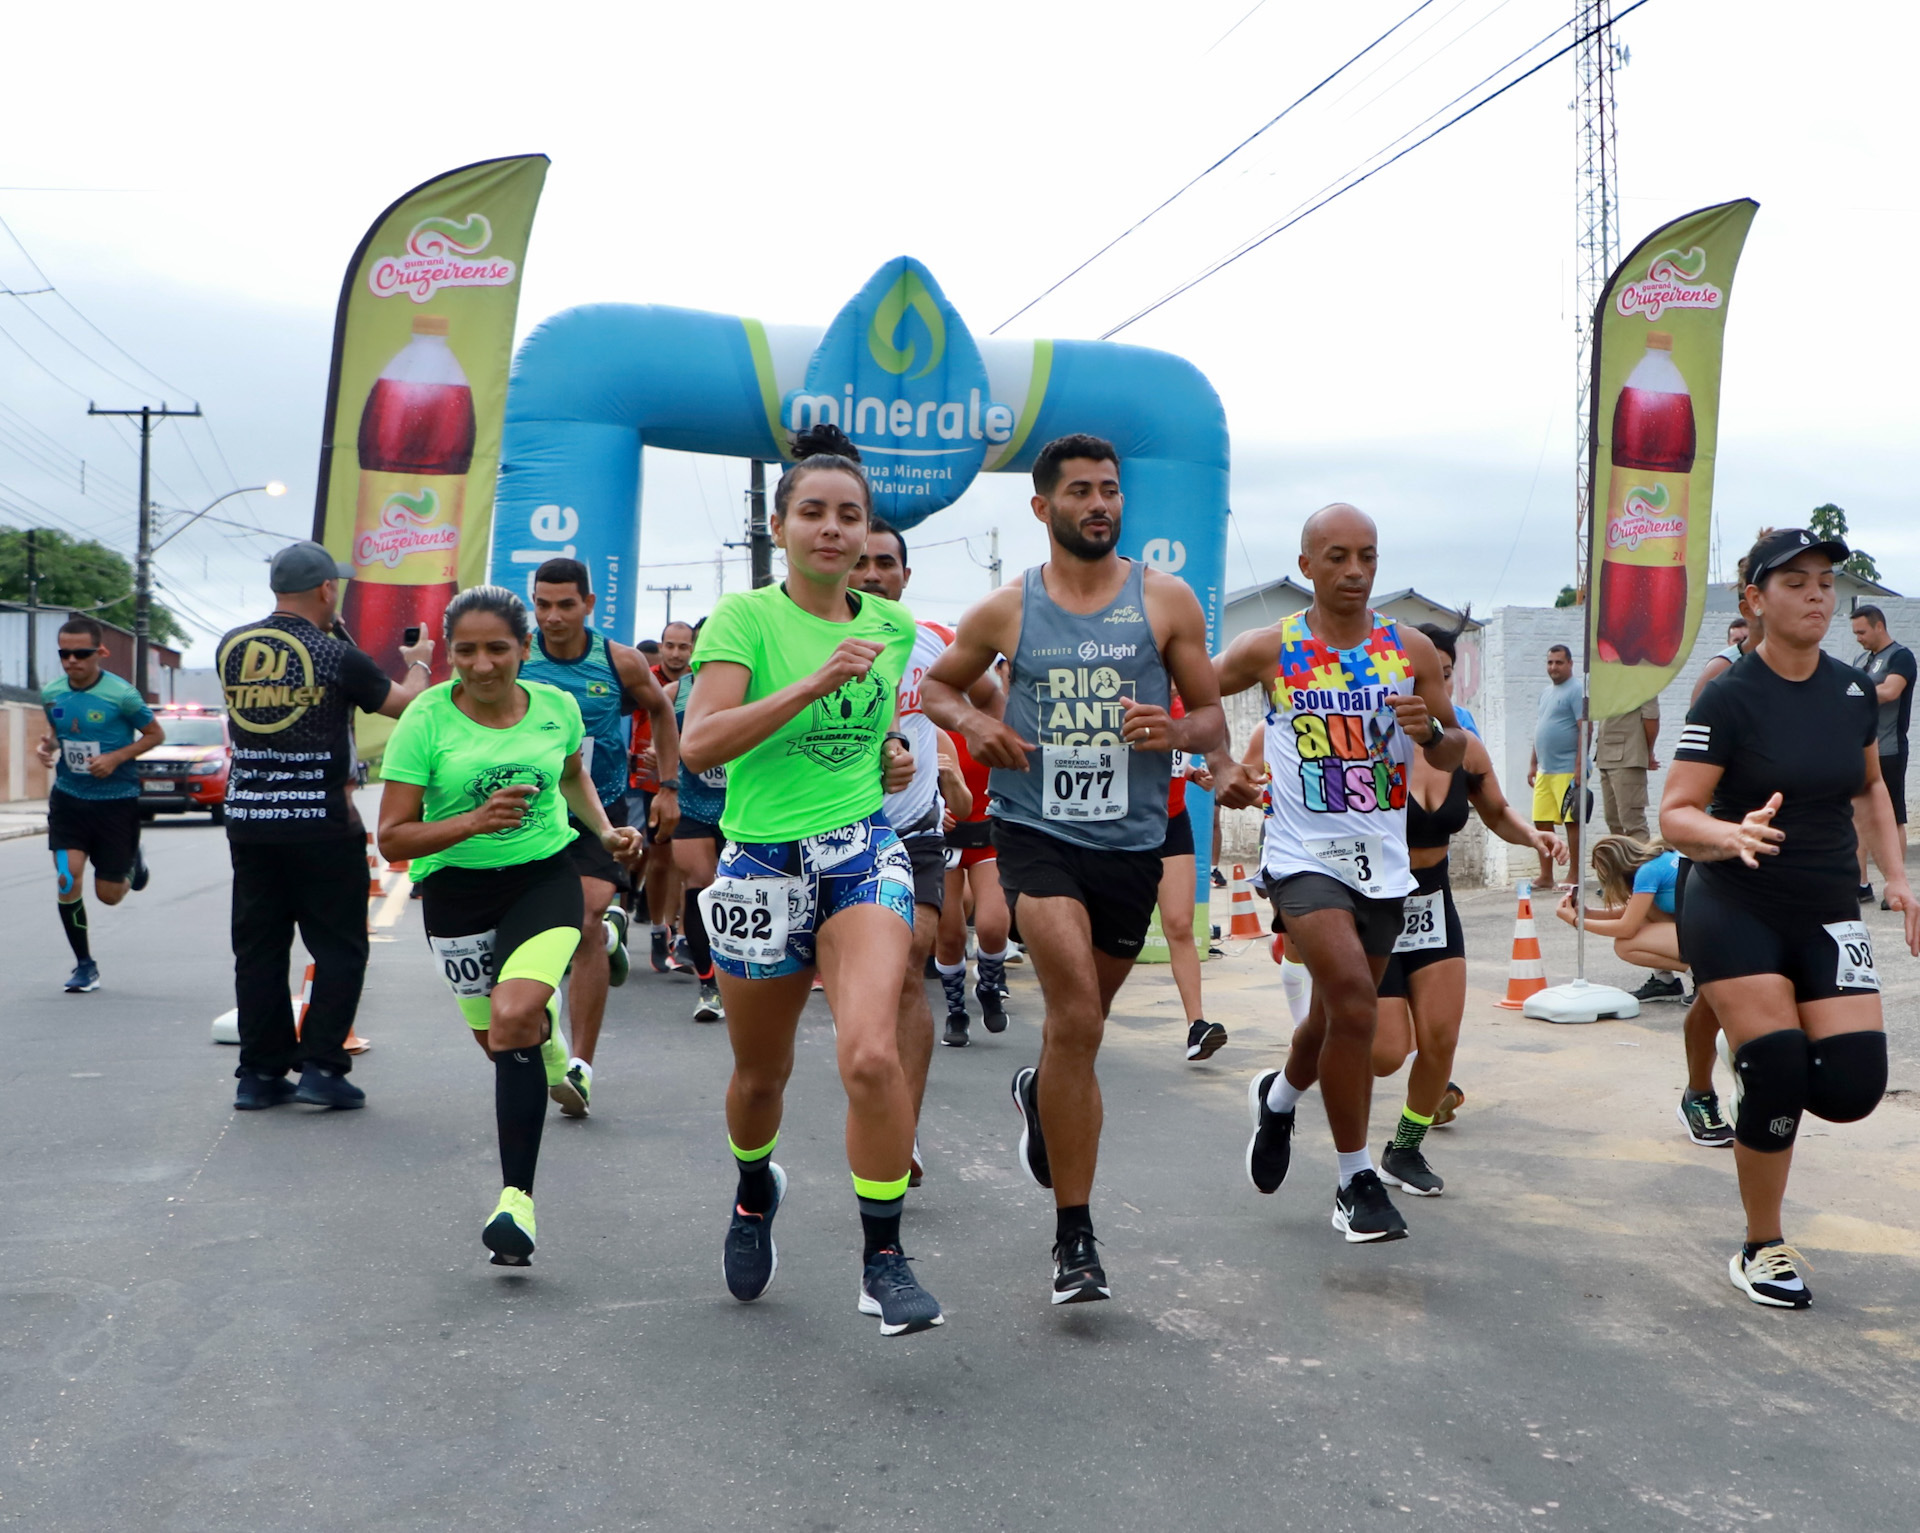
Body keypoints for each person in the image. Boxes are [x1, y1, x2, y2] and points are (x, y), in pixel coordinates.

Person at [923, 432, 1225, 1303]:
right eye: (1082, 491)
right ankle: (1075, 1237)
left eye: (1110, 490)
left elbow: (1210, 718)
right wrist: (974, 725)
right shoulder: (1006, 611)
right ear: (1042, 506)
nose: (1100, 503)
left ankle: (1038, 1088)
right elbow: (940, 688)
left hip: (1132, 841)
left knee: (1073, 1037)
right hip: (1035, 832)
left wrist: (1176, 731)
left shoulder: (1165, 603)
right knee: (1079, 1014)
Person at [679, 423, 943, 1336]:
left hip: (860, 851)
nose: (834, 531)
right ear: (783, 526)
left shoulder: (893, 625)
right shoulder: (745, 620)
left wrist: (890, 758)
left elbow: (867, 741)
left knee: (870, 1049)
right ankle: (755, 1190)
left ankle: (884, 1258)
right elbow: (701, 743)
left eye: (850, 516)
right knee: (761, 1075)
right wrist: (810, 683)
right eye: (814, 514)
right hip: (759, 863)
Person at [1662, 528, 1919, 1309]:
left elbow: (1870, 788)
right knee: (1775, 1064)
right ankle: (1761, 1243)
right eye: (1796, 582)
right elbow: (1674, 813)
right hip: (1734, 902)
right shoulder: (1729, 696)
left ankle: (1756, 1102)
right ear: (1755, 601)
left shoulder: (1850, 692)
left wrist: (1901, 879)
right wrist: (1729, 832)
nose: (1816, 595)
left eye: (1825, 583)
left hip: (1825, 906)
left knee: (1850, 1086)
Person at [1210, 504, 1464, 1244]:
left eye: (1368, 556)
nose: (1355, 571)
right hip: (1299, 858)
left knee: (1330, 1019)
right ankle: (1355, 1179)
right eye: (1338, 557)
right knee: (1356, 1002)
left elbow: (1453, 754)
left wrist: (1432, 733)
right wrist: (1220, 762)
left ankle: (1280, 1098)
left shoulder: (1407, 647)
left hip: (1380, 867)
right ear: (1308, 565)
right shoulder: (1272, 648)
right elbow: (1195, 694)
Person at [378, 585, 640, 1264]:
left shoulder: (556, 705)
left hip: (543, 877)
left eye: (498, 647)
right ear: (450, 653)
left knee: (516, 1012)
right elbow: (394, 839)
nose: (483, 663)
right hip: (455, 893)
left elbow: (574, 775)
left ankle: (515, 1203)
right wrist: (470, 820)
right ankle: (551, 1055)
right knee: (502, 1039)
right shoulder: (425, 721)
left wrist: (607, 833)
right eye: (466, 649)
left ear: (525, 649)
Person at [211, 542, 433, 1108]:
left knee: (258, 949)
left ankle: (259, 1075)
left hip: (251, 822)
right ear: (326, 589)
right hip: (321, 823)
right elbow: (407, 704)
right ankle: (322, 1068)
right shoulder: (337, 657)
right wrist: (422, 660)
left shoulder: (231, 647)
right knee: (338, 946)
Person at [1366, 623, 1563, 1192]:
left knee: (1441, 1038)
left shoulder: (1464, 748)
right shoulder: (1373, 743)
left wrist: (1534, 838)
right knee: (1385, 1053)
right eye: (1429, 677)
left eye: (1447, 678)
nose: (1439, 690)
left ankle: (1404, 1150)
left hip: (1432, 902)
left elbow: (1497, 811)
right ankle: (1325, 1041)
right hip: (1376, 903)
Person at [522, 558, 680, 1118]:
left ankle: (581, 1068)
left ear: (589, 604)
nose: (553, 616)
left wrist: (667, 787)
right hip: (532, 810)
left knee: (586, 917)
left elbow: (662, 711)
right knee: (542, 932)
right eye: (542, 604)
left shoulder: (619, 660)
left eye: (565, 605)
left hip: (599, 810)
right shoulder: (519, 654)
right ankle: (608, 943)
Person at [854, 524, 982, 1088]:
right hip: (834, 829)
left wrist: (978, 734)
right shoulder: (812, 641)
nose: (873, 574)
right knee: (858, 982)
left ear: (906, 576)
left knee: (909, 968)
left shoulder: (935, 640)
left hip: (917, 832)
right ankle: (871, 1080)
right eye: (861, 563)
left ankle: (903, 1126)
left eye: (886, 563)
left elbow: (992, 697)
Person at [1552, 835, 1733, 1147]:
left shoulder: (1648, 872)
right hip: (1702, 922)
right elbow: (1631, 911)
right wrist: (1587, 912)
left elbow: (1626, 927)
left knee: (1625, 945)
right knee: (1640, 923)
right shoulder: (1660, 859)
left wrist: (1576, 921)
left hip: (1703, 934)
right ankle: (1695, 973)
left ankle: (1695, 971)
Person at [35, 616, 165, 994]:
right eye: (65, 653)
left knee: (108, 896)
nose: (72, 660)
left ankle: (131, 863)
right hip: (69, 801)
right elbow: (59, 733)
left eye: (81, 653)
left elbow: (155, 734)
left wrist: (117, 757)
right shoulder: (52, 693)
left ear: (100, 652)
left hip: (116, 804)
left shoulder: (122, 695)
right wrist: (47, 747)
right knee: (65, 876)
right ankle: (84, 965)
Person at [665, 618, 729, 1024]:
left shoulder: (745, 686)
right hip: (690, 803)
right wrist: (665, 783)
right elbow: (660, 735)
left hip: (741, 808)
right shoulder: (675, 692)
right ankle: (708, 985)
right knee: (699, 886)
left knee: (733, 893)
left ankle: (740, 976)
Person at [935, 723, 1014, 1041]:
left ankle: (988, 985)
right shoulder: (926, 726)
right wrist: (932, 809)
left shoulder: (998, 716)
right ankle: (956, 1013)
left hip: (990, 835)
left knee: (994, 927)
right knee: (950, 936)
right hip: (944, 839)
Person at [1158, 694, 1225, 1062]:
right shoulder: (1126, 694)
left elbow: (1173, 756)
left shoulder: (1187, 704)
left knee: (1180, 924)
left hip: (1172, 820)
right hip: (1125, 824)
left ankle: (1197, 1026)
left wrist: (1191, 772)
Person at [630, 620, 695, 961]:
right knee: (658, 861)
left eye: (683, 647)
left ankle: (679, 935)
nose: (675, 653)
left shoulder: (710, 684)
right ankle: (658, 929)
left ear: (693, 650)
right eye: (669, 645)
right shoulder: (648, 679)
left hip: (694, 786)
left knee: (686, 863)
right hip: (652, 783)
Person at [1850, 604, 1913, 906]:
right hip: (1858, 748)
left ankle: (1895, 888)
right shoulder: (1862, 660)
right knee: (1858, 816)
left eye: (1862, 632)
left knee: (1894, 817)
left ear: (1878, 626)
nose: (1858, 638)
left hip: (1888, 749)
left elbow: (1890, 692)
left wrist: (1853, 693)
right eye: (1855, 633)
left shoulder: (1900, 657)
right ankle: (1861, 885)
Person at [1528, 644, 1583, 890]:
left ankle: (1575, 874)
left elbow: (1585, 728)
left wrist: (1580, 766)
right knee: (1541, 821)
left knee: (1572, 821)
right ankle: (1546, 875)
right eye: (1550, 662)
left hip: (1568, 769)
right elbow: (1541, 728)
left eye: (1559, 662)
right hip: (1545, 770)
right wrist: (1533, 763)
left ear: (1570, 663)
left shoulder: (1577, 690)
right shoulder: (1545, 693)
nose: (1553, 667)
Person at [1595, 698, 1660, 841]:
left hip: (1629, 757)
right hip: (1606, 756)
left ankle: (1642, 863)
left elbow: (1651, 717)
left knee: (1633, 824)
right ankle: (1621, 862)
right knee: (1613, 822)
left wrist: (1647, 751)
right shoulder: (1610, 680)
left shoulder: (1643, 678)